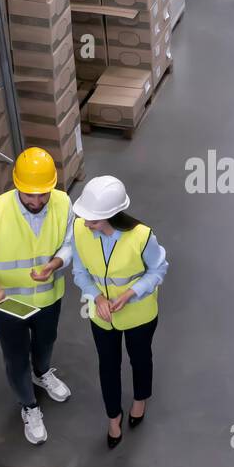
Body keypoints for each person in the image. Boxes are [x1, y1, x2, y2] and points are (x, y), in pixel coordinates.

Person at [0, 147, 74, 445]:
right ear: (17, 185)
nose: (37, 201)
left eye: (44, 194)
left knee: (46, 343)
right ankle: (29, 406)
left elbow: (69, 244)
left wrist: (55, 264)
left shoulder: (64, 203)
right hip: (8, 303)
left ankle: (42, 374)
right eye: (30, 195)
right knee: (16, 357)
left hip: (48, 297)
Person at [70, 177, 168, 449]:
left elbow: (158, 270)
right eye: (85, 217)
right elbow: (79, 272)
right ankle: (113, 416)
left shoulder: (142, 236)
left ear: (111, 215)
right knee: (108, 365)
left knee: (140, 358)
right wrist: (96, 296)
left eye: (94, 220)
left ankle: (140, 400)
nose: (87, 224)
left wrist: (131, 293)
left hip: (139, 312)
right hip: (102, 314)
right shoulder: (79, 229)